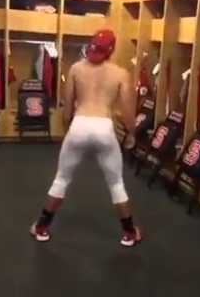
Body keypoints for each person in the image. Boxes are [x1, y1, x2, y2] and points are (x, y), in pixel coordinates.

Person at [30, 29, 142, 247]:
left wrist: (67, 131)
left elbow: (67, 106)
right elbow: (129, 112)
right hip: (104, 126)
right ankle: (129, 232)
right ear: (113, 49)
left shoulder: (75, 68)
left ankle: (41, 227)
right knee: (116, 183)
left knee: (61, 179)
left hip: (80, 124)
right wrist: (132, 134)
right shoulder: (120, 73)